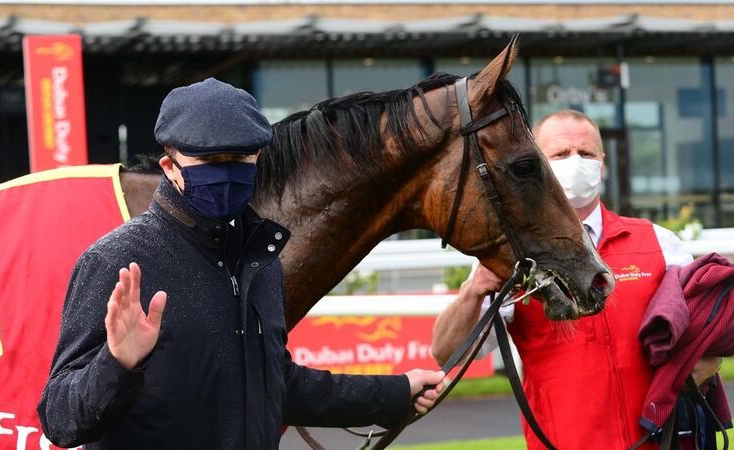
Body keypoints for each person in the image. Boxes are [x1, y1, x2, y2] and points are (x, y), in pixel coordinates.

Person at [37, 78, 444, 449]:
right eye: (211, 160)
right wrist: (118, 363)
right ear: (169, 167)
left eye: (240, 157)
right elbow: (59, 419)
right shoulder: (114, 260)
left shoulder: (261, 261)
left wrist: (396, 392)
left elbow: (278, 386)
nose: (228, 172)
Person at [432, 110, 721, 450]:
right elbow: (446, 353)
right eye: (560, 154)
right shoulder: (511, 256)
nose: (575, 162)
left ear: (602, 164)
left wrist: (708, 355)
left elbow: (708, 338)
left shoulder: (659, 243)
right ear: (537, 164)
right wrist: (475, 288)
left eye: (585, 153)